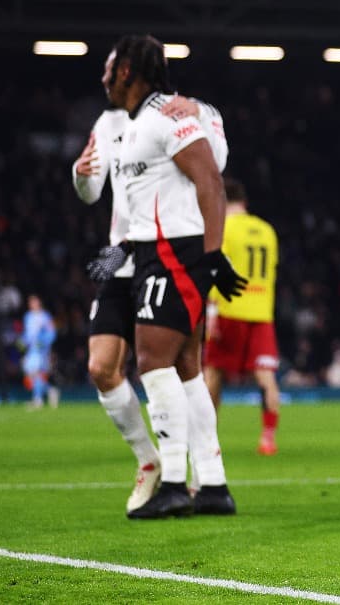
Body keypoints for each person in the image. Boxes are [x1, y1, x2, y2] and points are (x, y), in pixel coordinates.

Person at [96, 33, 247, 519]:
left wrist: (212, 256)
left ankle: (176, 484)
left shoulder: (167, 116)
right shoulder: (143, 122)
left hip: (174, 252)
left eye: (109, 68)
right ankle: (215, 485)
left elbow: (210, 177)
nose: (103, 77)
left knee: (153, 363)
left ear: (125, 72)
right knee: (185, 369)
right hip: (155, 251)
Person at [73, 92, 227, 512]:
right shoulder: (108, 124)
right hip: (122, 260)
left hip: (164, 255)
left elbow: (214, 166)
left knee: (183, 365)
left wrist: (206, 110)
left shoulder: (173, 114)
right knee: (101, 367)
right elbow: (90, 192)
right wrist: (80, 173)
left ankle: (204, 478)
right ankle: (150, 460)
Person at [203, 176, 283, 456]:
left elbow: (216, 269)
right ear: (245, 202)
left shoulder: (222, 228)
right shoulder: (267, 231)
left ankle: (208, 435)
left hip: (229, 309)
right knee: (266, 376)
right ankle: (268, 438)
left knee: (212, 372)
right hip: (261, 313)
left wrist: (211, 310)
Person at [20, 295, 56, 408]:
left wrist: (44, 342)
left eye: (34, 302)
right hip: (31, 350)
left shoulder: (45, 316)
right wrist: (22, 341)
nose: (32, 304)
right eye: (30, 302)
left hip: (40, 350)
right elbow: (28, 334)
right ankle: (50, 390)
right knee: (31, 374)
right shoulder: (28, 317)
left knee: (36, 372)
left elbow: (51, 332)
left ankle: (38, 399)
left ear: (39, 303)